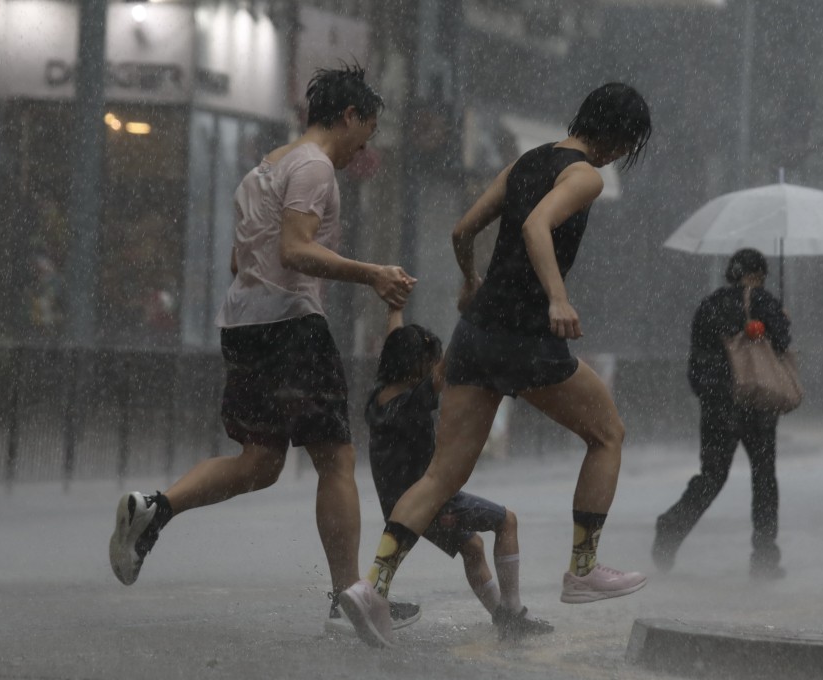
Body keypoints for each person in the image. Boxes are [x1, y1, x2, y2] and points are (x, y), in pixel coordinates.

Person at [338, 82, 653, 647]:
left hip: (475, 335)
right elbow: (536, 227)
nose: (619, 157)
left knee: (440, 476)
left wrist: (469, 280)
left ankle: (373, 585)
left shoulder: (525, 162)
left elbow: (463, 230)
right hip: (525, 338)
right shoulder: (584, 176)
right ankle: (582, 569)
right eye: (627, 145)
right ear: (618, 137)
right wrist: (557, 296)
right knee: (608, 433)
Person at [108, 64, 422, 631]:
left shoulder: (262, 170)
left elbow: (239, 260)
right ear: (349, 116)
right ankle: (349, 598)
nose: (362, 150)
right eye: (366, 133)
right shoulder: (313, 167)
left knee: (261, 462)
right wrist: (372, 273)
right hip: (292, 325)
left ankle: (155, 510)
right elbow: (296, 250)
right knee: (338, 459)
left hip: (245, 325)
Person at [354, 304, 553, 641]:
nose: (434, 364)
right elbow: (445, 367)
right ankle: (515, 611)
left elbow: (397, 341)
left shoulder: (379, 398)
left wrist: (394, 310)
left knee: (472, 547)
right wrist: (476, 313)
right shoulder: (415, 400)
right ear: (416, 364)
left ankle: (501, 617)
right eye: (428, 359)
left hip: (396, 506)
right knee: (507, 521)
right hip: (431, 503)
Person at [651, 248, 792, 580]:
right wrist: (780, 321)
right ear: (758, 274)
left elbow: (696, 360)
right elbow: (783, 346)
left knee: (712, 476)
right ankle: (764, 557)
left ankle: (671, 526)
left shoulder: (709, 305)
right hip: (757, 405)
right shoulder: (765, 302)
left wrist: (712, 394)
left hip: (717, 406)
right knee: (764, 478)